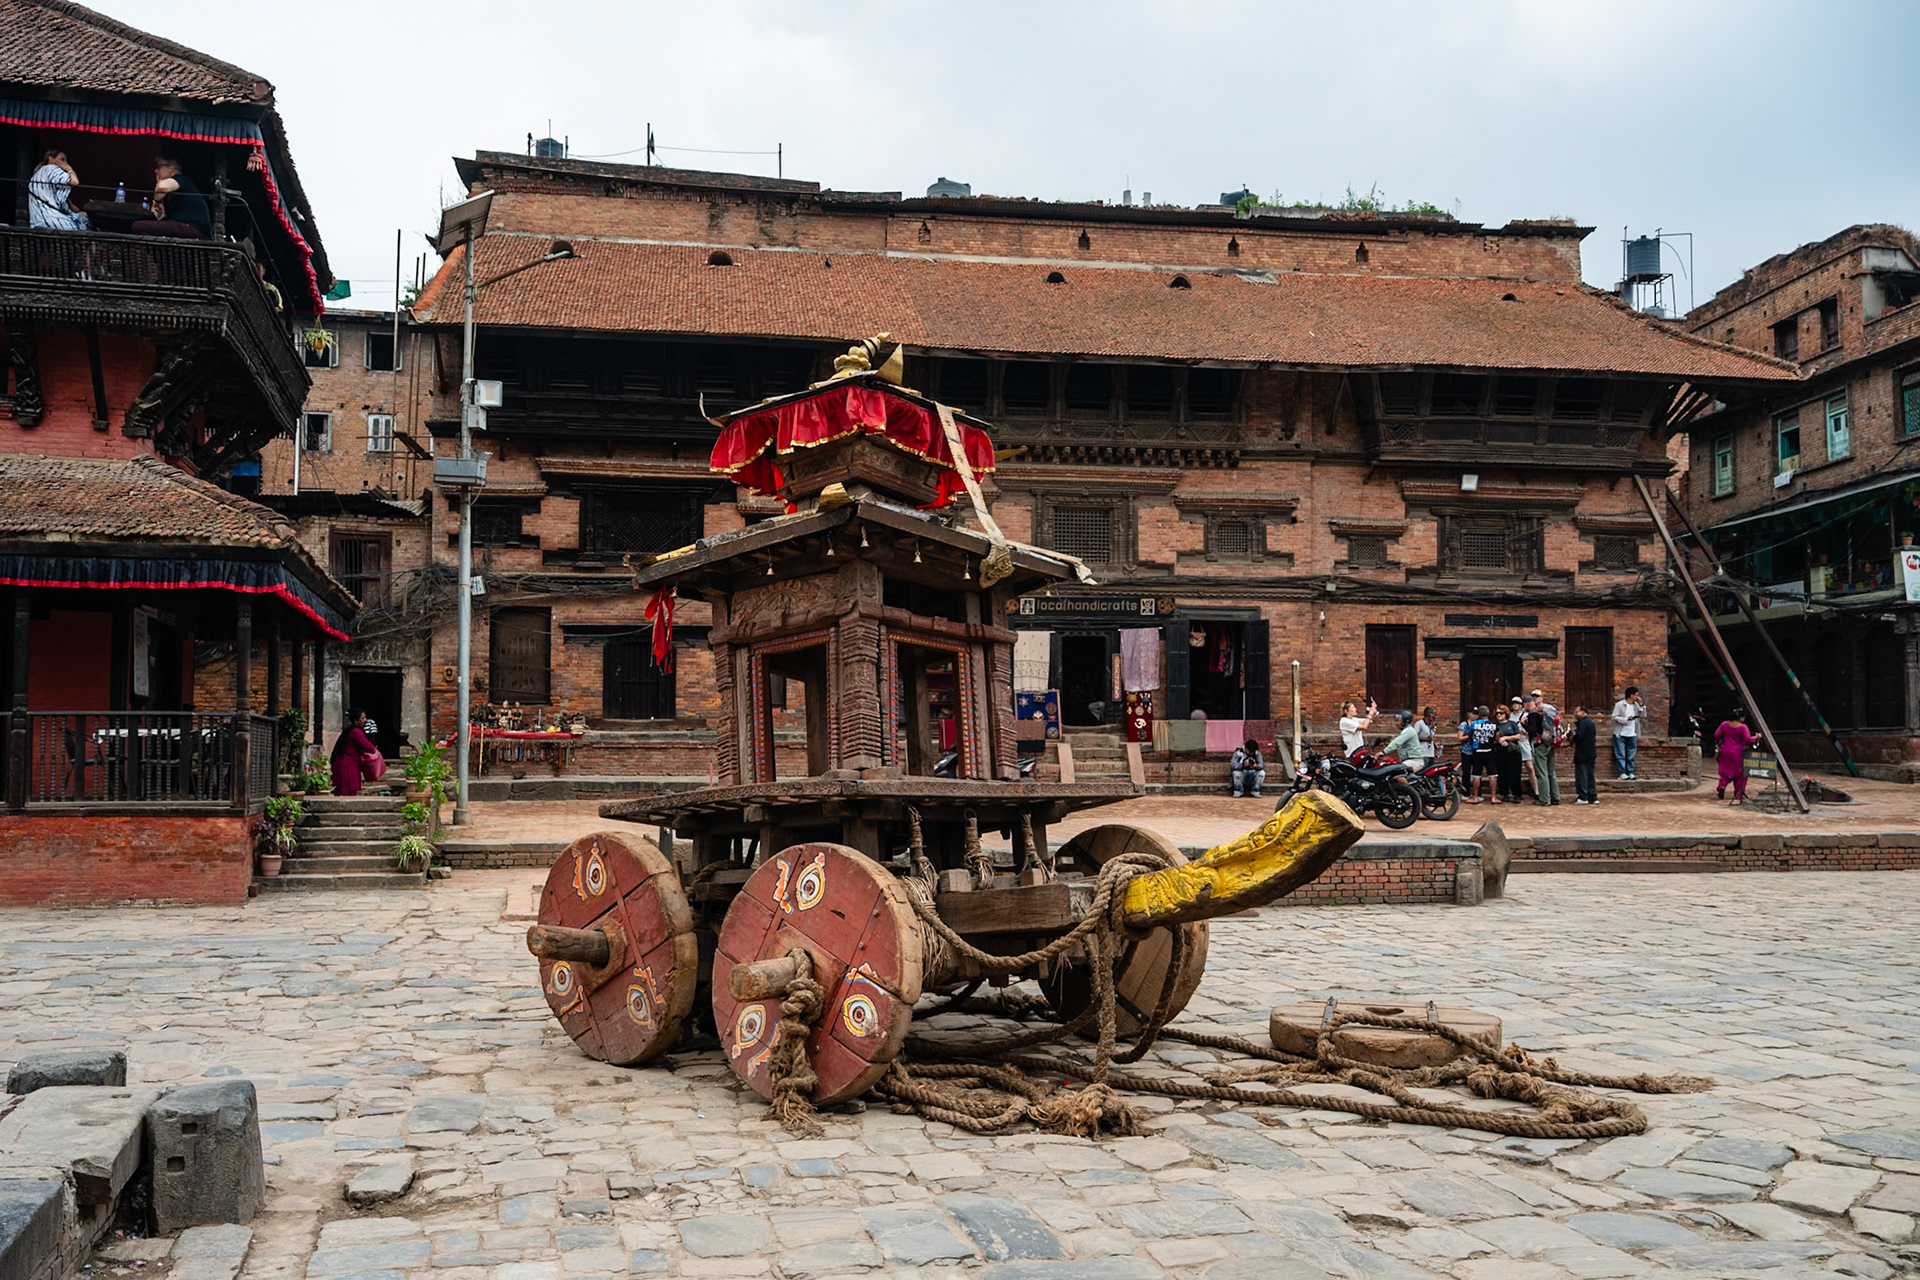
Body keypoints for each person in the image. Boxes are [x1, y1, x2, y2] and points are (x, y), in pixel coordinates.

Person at [130, 157, 210, 239]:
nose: (156, 171)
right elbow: (161, 217)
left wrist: (157, 202)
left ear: (171, 168)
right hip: (183, 226)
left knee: (138, 226)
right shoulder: (168, 194)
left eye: (159, 167)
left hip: (194, 228)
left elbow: (162, 187)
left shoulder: (181, 179)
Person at [329, 707, 387, 797]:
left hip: (347, 764)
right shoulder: (356, 732)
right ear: (356, 720)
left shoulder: (350, 730)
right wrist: (376, 752)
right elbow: (368, 746)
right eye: (362, 718)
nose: (365, 720)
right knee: (345, 792)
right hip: (347, 765)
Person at [27, 150, 89, 230]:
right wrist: (69, 169)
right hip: (52, 220)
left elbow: (62, 200)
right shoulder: (51, 169)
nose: (65, 163)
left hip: (37, 220)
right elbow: (74, 181)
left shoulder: (38, 173)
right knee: (84, 220)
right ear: (51, 159)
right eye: (62, 159)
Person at [1526, 689, 1562, 807]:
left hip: (1540, 744)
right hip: (1551, 741)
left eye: (1536, 697)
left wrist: (1523, 724)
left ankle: (1544, 799)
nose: (1535, 699)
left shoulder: (1534, 713)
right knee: (1551, 772)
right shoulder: (1550, 709)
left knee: (1542, 773)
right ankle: (1555, 797)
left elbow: (1532, 730)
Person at [1715, 708, 1757, 804]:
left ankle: (1722, 786)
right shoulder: (1743, 727)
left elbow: (1716, 735)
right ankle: (1739, 794)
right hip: (1738, 753)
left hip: (1725, 751)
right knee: (1740, 774)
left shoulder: (1724, 724)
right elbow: (1747, 740)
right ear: (1741, 718)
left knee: (1725, 771)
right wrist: (1756, 737)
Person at [1495, 699, 1527, 803]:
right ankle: (1504, 793)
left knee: (1515, 773)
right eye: (1497, 713)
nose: (1499, 715)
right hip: (1500, 751)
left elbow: (1518, 736)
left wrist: (1506, 738)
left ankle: (1517, 794)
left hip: (1513, 752)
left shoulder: (1512, 724)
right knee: (1502, 773)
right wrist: (1499, 741)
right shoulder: (1495, 725)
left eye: (1501, 713)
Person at [1466, 706, 1499, 803]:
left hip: (1477, 751)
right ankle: (1493, 797)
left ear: (1479, 714)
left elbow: (1470, 735)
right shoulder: (1493, 725)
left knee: (1476, 775)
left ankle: (1475, 797)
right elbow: (1497, 738)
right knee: (1492, 775)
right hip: (1489, 750)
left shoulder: (1474, 724)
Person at [1610, 686, 1643, 779]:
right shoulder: (1620, 705)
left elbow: (1642, 715)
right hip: (1621, 733)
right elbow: (1614, 717)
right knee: (1621, 754)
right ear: (1631, 695)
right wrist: (1625, 720)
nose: (1637, 697)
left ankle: (1631, 772)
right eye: (1636, 695)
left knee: (1631, 754)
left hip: (1632, 733)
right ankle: (1622, 772)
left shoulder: (1636, 705)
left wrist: (1641, 705)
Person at [1571, 705, 1599, 804]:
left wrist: (1572, 737)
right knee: (1590, 775)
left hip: (1582, 753)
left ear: (1583, 712)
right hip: (1591, 752)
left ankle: (1583, 796)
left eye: (1577, 712)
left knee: (1582, 775)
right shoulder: (1591, 723)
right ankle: (1592, 796)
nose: (1575, 714)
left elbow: (1579, 736)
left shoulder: (1582, 723)